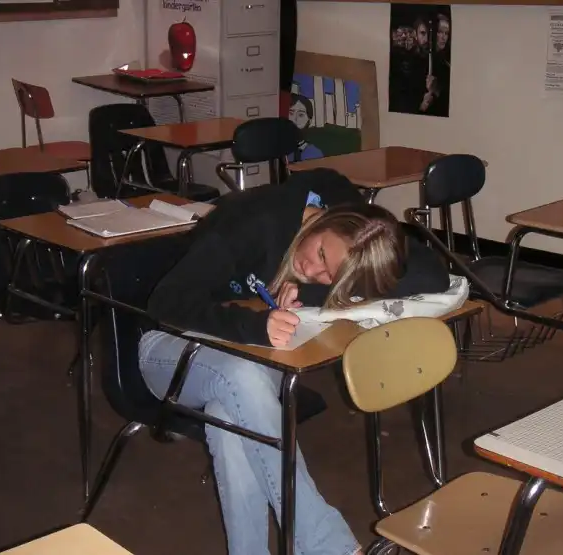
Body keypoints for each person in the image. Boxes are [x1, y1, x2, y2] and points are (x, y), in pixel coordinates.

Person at [140, 168, 450, 555]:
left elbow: (431, 275)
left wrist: (310, 293)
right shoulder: (254, 221)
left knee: (230, 420)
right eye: (319, 254)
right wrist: (254, 325)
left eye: (330, 276)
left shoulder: (358, 232)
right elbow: (165, 302)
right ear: (324, 218)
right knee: (242, 377)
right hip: (169, 347)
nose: (313, 271)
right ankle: (327, 545)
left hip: (247, 369)